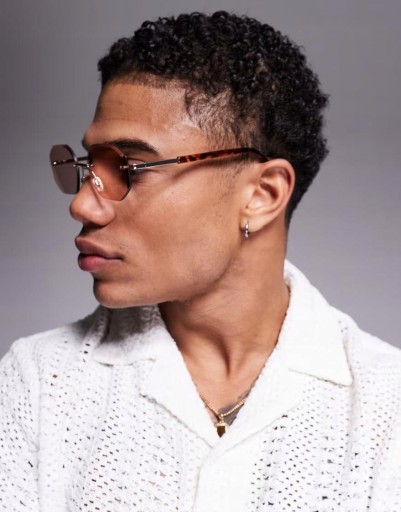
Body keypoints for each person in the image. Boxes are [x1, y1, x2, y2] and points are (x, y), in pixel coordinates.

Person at [0, 10, 400, 512]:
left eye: (129, 168)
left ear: (262, 194)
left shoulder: (387, 408)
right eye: (90, 166)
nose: (83, 205)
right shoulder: (38, 384)